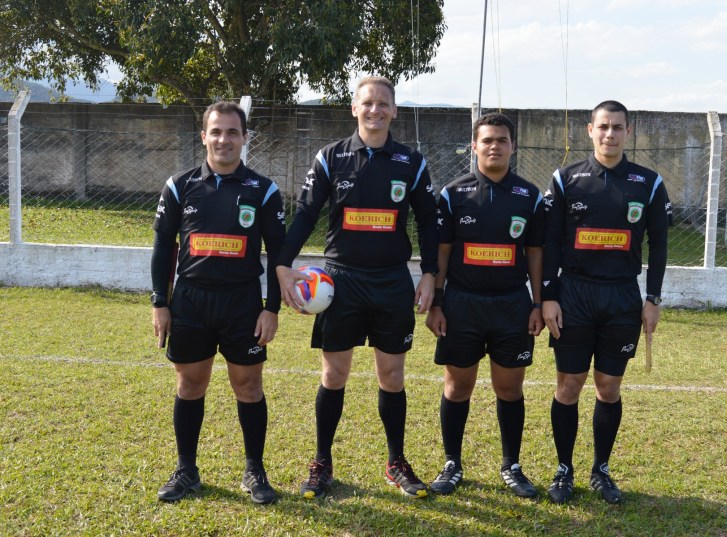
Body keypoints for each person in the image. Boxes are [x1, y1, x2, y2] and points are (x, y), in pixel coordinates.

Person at [275, 76, 439, 499]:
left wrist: (430, 273)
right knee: (334, 373)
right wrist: (281, 264)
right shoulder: (331, 158)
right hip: (341, 281)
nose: (375, 110)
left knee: (392, 375)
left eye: (383, 104)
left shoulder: (411, 162)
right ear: (354, 108)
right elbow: (306, 214)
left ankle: (396, 461)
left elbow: (429, 222)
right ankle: (322, 462)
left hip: (390, 282)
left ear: (394, 110)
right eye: (368, 103)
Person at [151, 101, 287, 504]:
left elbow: (279, 253)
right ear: (204, 136)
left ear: (245, 138)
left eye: (232, 132)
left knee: (248, 385)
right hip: (190, 301)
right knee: (190, 383)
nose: (223, 139)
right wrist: (161, 302)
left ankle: (254, 470)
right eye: (216, 132)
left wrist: (272, 307)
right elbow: (163, 247)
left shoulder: (263, 190)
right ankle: (186, 470)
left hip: (243, 303)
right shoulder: (180, 185)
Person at [541, 100, 673, 504]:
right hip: (574, 293)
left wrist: (652, 299)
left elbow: (661, 245)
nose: (610, 134)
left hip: (621, 296)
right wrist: (548, 296)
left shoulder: (648, 183)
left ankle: (601, 469)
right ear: (590, 130)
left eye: (617, 127)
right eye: (603, 126)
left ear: (627, 132)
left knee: (609, 387)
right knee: (569, 385)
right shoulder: (567, 179)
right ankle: (564, 469)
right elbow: (549, 243)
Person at [426, 113, 545, 498]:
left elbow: (535, 253)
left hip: (512, 305)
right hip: (462, 303)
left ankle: (511, 464)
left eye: (502, 140)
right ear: (474, 146)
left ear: (513, 146)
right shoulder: (453, 194)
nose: (495, 146)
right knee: (458, 386)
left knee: (509, 388)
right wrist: (438, 304)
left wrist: (537, 303)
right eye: (487, 140)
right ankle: (452, 463)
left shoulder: (529, 195)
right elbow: (442, 253)